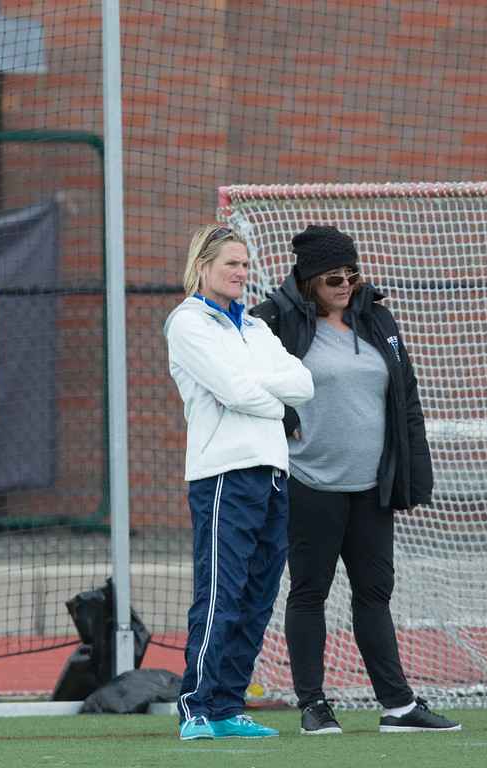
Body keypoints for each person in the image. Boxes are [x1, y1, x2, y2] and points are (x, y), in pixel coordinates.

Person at [250, 224, 460, 735]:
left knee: (375, 593)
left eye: (352, 275)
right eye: (332, 278)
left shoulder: (376, 318)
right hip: (309, 483)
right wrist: (282, 417)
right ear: (309, 281)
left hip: (371, 488)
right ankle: (313, 705)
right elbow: (245, 381)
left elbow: (405, 396)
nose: (345, 285)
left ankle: (398, 706)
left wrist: (412, 477)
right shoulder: (275, 321)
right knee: (309, 592)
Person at [164, 224, 314, 740]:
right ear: (202, 265)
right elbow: (230, 390)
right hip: (224, 476)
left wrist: (257, 391)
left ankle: (229, 706)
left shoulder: (254, 327)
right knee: (220, 594)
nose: (241, 272)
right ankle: (196, 706)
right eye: (231, 262)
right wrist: (273, 403)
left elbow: (303, 383)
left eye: (245, 264)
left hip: (273, 474)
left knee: (258, 597)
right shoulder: (188, 322)